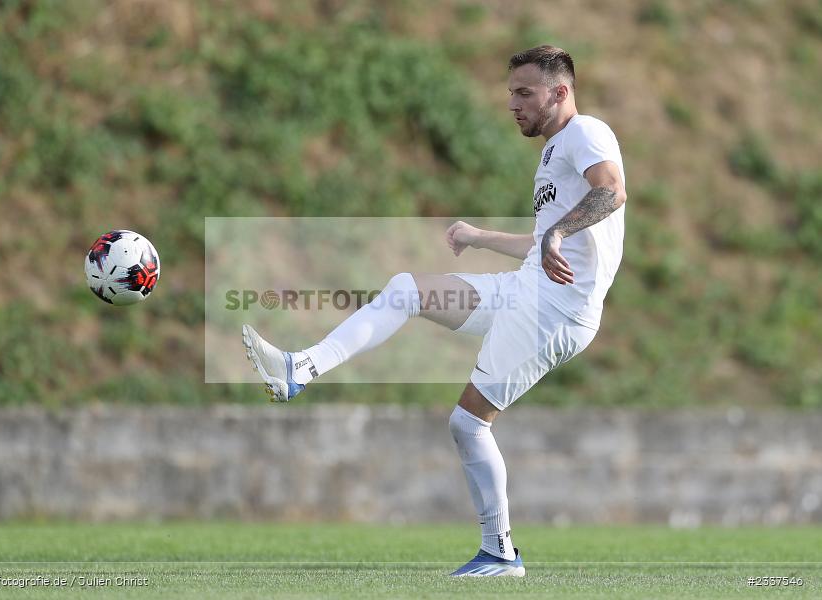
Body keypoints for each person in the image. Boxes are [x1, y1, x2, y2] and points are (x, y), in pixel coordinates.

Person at [242, 45, 626, 578]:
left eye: (524, 93)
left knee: (469, 424)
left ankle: (500, 554)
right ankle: (298, 370)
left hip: (555, 312)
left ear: (560, 92)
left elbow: (612, 191)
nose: (512, 103)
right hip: (526, 292)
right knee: (407, 290)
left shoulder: (585, 133)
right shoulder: (554, 148)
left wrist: (558, 232)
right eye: (510, 92)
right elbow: (543, 242)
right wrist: (482, 236)